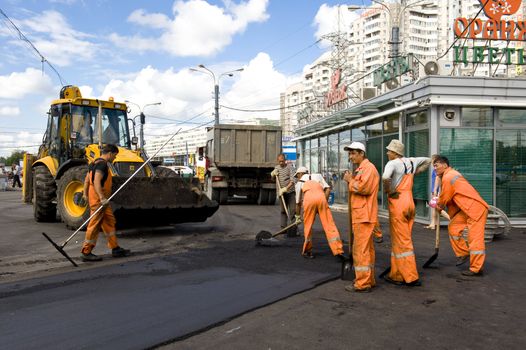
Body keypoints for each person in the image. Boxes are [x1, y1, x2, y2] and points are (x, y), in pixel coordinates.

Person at [382, 139, 430, 286]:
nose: (387, 153)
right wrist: (417, 171)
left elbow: (385, 178)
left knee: (403, 241)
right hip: (410, 201)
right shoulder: (411, 161)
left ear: (395, 153)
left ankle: (410, 276)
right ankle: (396, 274)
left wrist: (389, 190)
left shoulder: (392, 163)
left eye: (389, 151)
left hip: (398, 202)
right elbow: (429, 160)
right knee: (400, 239)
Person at [430, 155, 488, 276]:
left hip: (475, 209)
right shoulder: (447, 175)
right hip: (466, 209)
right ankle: (463, 253)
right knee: (453, 228)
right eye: (433, 166)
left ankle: (476, 268)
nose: (434, 168)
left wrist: (438, 205)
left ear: (445, 165)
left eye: (436, 165)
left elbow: (445, 197)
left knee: (475, 240)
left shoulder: (449, 177)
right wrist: (439, 203)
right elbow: (449, 198)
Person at [80, 144, 130, 262]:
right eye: (115, 156)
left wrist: (85, 194)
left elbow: (87, 180)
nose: (114, 158)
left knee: (109, 221)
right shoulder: (102, 165)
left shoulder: (93, 163)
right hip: (99, 201)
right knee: (94, 225)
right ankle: (86, 252)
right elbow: (96, 181)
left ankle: (115, 248)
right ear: (110, 153)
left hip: (101, 201)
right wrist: (102, 197)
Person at [342, 142, 380, 293]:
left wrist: (350, 180)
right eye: (349, 154)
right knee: (367, 250)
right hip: (362, 214)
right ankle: (368, 279)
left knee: (360, 250)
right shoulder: (362, 169)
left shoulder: (368, 169)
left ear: (361, 153)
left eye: (353, 153)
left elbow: (363, 189)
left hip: (364, 215)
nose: (350, 157)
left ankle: (362, 283)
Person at [294, 166, 345, 260]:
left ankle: (307, 251)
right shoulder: (318, 175)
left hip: (309, 201)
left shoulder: (299, 183)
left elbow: (298, 203)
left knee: (308, 226)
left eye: (297, 175)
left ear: (300, 174)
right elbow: (328, 189)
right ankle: (338, 250)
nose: (297, 177)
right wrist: (322, 204)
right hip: (321, 198)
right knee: (330, 225)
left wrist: (297, 216)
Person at [271, 153, 297, 237]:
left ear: (285, 160)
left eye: (282, 161)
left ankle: (293, 229)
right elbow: (273, 179)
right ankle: (283, 228)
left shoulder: (290, 167)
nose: (281, 163)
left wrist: (286, 188)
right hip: (281, 194)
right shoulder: (277, 168)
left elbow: (293, 180)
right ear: (277, 161)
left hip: (290, 192)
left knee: (292, 211)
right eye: (279, 161)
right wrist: (272, 175)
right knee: (283, 211)